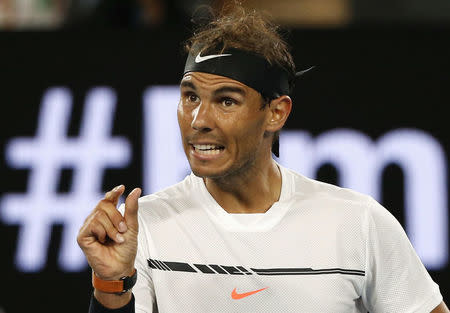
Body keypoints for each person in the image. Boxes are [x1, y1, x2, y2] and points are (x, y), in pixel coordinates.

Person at [77, 4, 449, 313]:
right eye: (190, 97)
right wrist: (112, 284)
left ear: (276, 113)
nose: (198, 121)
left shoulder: (358, 223)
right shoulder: (148, 228)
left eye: (226, 101)